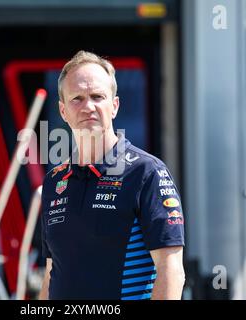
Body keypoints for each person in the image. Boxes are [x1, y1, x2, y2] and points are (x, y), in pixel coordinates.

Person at [38, 50, 185, 300]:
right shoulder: (54, 181)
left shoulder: (146, 172)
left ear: (114, 106)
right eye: (77, 98)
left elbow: (171, 270)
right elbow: (52, 272)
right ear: (63, 111)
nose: (89, 107)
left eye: (98, 96)